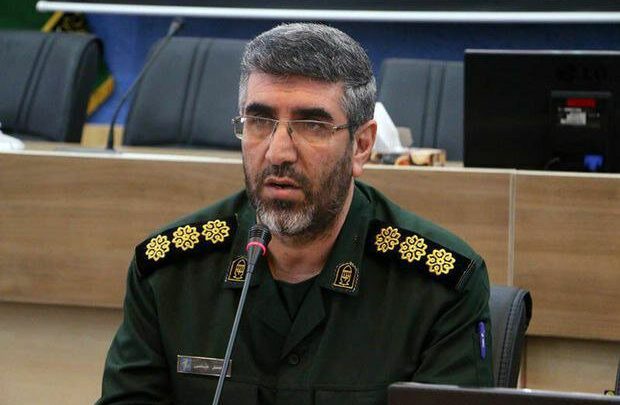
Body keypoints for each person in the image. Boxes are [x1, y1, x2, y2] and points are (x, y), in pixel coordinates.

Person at [97, 23, 493, 405]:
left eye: (311, 126)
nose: (278, 152)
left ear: (361, 146)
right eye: (259, 121)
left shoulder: (440, 286)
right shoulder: (169, 272)